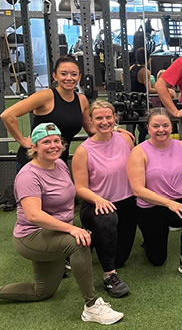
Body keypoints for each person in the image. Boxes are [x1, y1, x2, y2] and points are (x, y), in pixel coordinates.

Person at [0, 122, 124, 325]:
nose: (53, 145)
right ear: (35, 147)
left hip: (54, 234)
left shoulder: (58, 164)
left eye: (56, 141)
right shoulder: (28, 176)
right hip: (32, 236)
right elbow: (33, 215)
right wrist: (72, 228)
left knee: (42, 292)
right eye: (46, 142)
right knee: (78, 242)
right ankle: (92, 306)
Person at [127, 108, 182, 281]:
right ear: (148, 128)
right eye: (155, 126)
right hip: (151, 206)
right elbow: (138, 190)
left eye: (165, 125)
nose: (161, 130)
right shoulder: (139, 152)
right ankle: (150, 239)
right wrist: (168, 203)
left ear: (171, 127)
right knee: (157, 260)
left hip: (179, 201)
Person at [72, 101, 136, 298]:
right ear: (90, 120)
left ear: (114, 118)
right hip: (97, 205)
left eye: (108, 117)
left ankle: (92, 239)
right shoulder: (83, 151)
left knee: (120, 259)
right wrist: (98, 200)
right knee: (107, 219)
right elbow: (80, 188)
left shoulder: (125, 139)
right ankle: (109, 275)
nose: (104, 121)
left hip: (126, 202)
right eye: (98, 118)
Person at [1, 55, 94, 168]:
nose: (69, 78)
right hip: (33, 163)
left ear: (79, 77)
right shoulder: (46, 96)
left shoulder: (81, 100)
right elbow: (7, 115)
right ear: (55, 76)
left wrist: (114, 132)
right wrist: (23, 141)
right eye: (63, 74)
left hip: (59, 163)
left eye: (74, 74)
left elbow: (90, 129)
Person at [126, 47, 158, 143]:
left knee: (132, 127)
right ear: (148, 59)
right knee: (144, 128)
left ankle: (133, 145)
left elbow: (123, 76)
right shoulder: (145, 72)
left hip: (130, 101)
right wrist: (163, 90)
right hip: (140, 102)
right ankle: (141, 144)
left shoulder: (130, 68)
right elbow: (149, 90)